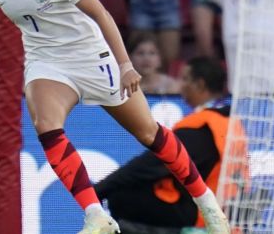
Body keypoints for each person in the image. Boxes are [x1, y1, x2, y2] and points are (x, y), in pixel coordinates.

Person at [0, 0, 229, 234]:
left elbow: (100, 13)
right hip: (46, 60)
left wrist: (124, 65)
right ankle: (96, 216)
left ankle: (208, 205)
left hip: (90, 54)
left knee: (149, 134)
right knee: (47, 126)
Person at [95, 56, 249, 231]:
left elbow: (151, 165)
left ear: (199, 84)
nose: (180, 85)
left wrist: (101, 188)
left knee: (121, 197)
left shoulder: (201, 125)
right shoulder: (232, 122)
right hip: (227, 207)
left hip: (203, 213)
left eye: (185, 79)